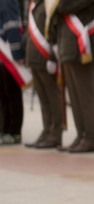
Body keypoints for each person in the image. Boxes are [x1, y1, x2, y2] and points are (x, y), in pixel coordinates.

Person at [54, 0, 94, 153]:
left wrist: (57, 4)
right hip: (67, 44)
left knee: (84, 94)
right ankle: (81, 134)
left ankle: (91, 137)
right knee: (74, 95)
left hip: (81, 44)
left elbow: (64, 6)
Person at [23, 0, 62, 149]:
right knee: (43, 98)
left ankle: (55, 133)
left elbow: (54, 30)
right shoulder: (34, 3)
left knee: (52, 97)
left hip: (45, 56)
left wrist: (52, 57)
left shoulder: (50, 3)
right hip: (34, 55)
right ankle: (47, 130)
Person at [0, 0, 24, 145]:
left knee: (11, 92)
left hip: (8, 52)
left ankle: (14, 131)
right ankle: (4, 129)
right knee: (2, 93)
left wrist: (16, 53)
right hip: (2, 52)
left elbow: (12, 24)